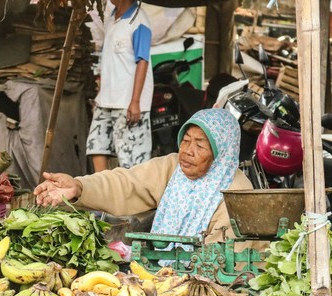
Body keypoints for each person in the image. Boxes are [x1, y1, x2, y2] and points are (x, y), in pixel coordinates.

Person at [35, 109, 260, 250]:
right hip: (163, 274)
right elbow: (127, 183)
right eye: (186, 140)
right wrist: (79, 186)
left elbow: (226, 258)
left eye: (200, 145)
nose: (188, 151)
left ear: (222, 152)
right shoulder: (172, 168)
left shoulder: (237, 194)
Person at [86, 0, 153, 172]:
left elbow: (143, 61)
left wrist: (135, 101)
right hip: (106, 100)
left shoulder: (140, 20)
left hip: (128, 101)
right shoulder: (111, 16)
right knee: (96, 146)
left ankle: (134, 197)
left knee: (131, 159)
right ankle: (103, 192)